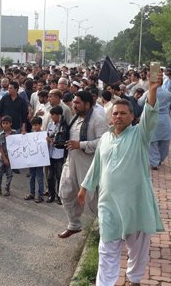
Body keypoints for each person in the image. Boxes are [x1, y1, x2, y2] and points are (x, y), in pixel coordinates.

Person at [78, 70, 165, 286]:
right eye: (115, 113)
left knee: (138, 250)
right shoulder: (105, 138)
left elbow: (151, 114)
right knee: (106, 248)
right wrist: (84, 187)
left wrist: (152, 90)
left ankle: (133, 279)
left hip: (135, 203)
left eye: (123, 113)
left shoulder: (139, 134)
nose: (118, 116)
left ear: (132, 117)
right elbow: (97, 165)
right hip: (109, 204)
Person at [58, 91, 108, 239]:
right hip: (71, 160)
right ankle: (74, 224)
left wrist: (81, 144)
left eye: (78, 103)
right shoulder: (74, 118)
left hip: (88, 163)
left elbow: (103, 142)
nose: (74, 105)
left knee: (92, 198)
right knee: (65, 192)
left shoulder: (98, 120)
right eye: (74, 102)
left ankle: (105, 227)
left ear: (87, 104)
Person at [144, 86, 171, 170]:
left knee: (152, 142)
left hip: (152, 117)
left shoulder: (148, 92)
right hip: (165, 119)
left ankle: (154, 162)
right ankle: (160, 159)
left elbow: (140, 102)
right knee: (165, 141)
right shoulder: (167, 93)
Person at [46, 106, 68, 204]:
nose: (52, 117)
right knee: (50, 176)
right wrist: (48, 139)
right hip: (50, 153)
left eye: (54, 115)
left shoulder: (63, 126)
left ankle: (60, 196)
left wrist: (55, 141)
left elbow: (63, 139)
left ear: (59, 115)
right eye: (51, 115)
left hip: (59, 154)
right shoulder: (50, 125)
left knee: (59, 176)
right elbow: (47, 135)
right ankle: (51, 194)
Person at [24, 117, 45, 203]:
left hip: (39, 160)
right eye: (33, 125)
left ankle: (40, 195)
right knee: (32, 177)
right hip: (32, 159)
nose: (34, 127)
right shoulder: (30, 135)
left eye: (36, 125)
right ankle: (32, 193)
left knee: (40, 178)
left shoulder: (43, 135)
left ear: (40, 125)